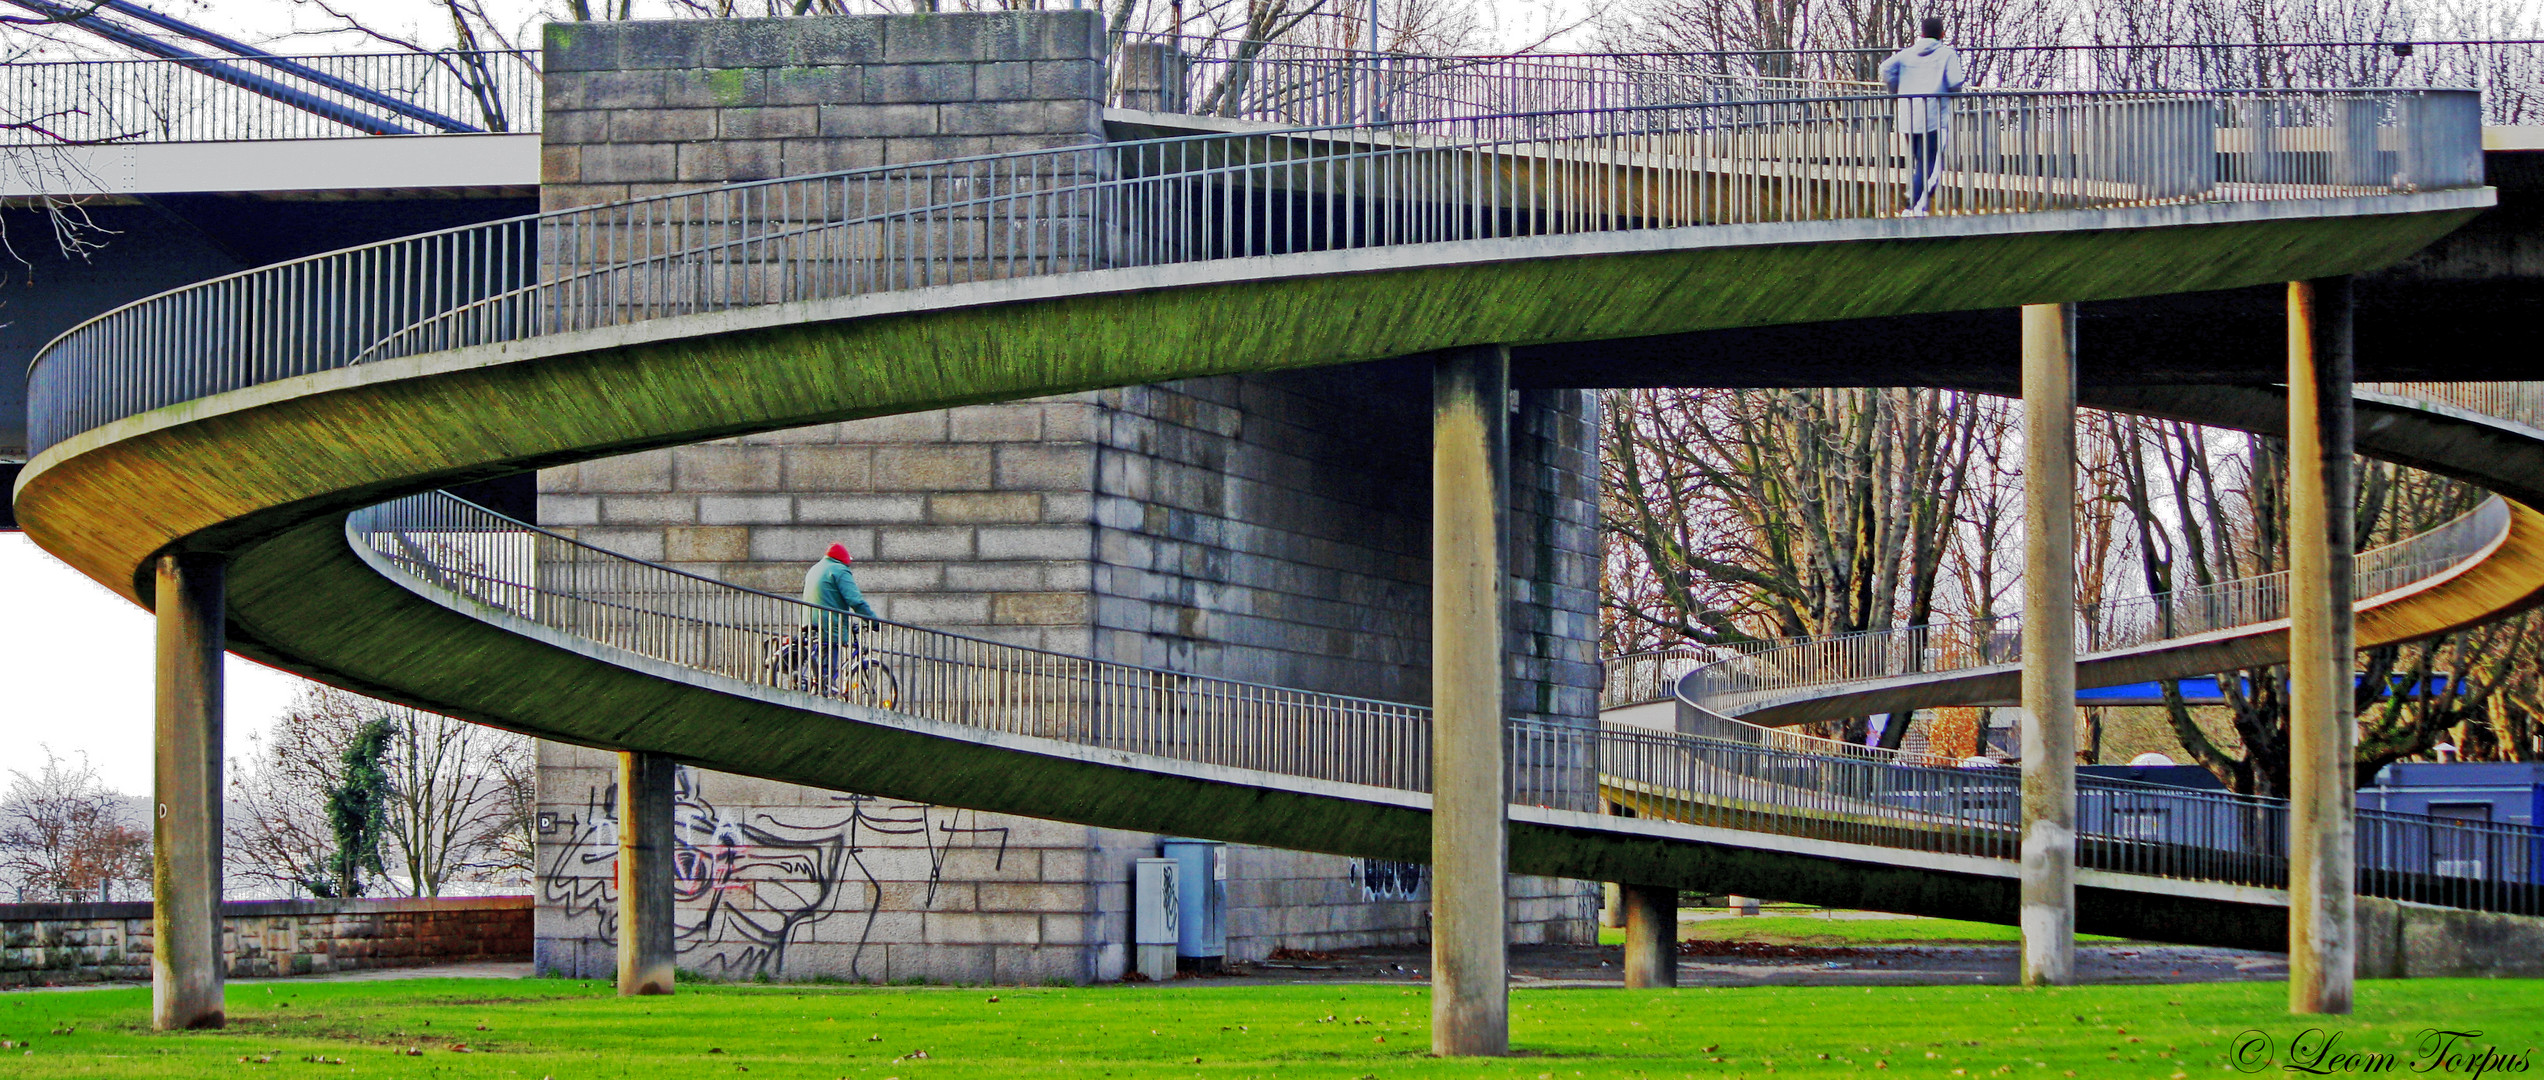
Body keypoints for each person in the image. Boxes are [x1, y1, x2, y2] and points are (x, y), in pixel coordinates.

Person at [1880, 17, 1966, 217]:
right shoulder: (1947, 54)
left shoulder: (1906, 54)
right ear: (1942, 34)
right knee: (1929, 163)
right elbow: (1955, 82)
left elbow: (1885, 68)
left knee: (1920, 160)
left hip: (1909, 115)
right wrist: (1952, 92)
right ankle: (1915, 206)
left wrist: (1896, 90)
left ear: (1921, 33)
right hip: (1934, 117)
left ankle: (1914, 197)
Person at [799, 543, 878, 687]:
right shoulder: (839, 570)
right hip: (828, 624)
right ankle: (826, 686)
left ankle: (817, 684)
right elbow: (856, 601)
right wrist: (873, 621)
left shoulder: (816, 568)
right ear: (844, 560)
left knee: (820, 658)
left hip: (810, 621)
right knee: (828, 663)